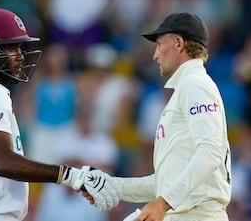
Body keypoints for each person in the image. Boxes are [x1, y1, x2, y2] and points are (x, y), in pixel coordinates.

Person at [0, 8, 114, 221]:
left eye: (19, 47)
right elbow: (4, 162)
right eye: (11, 48)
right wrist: (71, 175)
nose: (20, 56)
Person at [83, 12, 232, 221]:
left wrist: (162, 203)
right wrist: (114, 186)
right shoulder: (185, 89)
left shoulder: (196, 84)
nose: (155, 55)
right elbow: (165, 182)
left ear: (178, 43)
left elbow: (210, 152)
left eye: (160, 45)